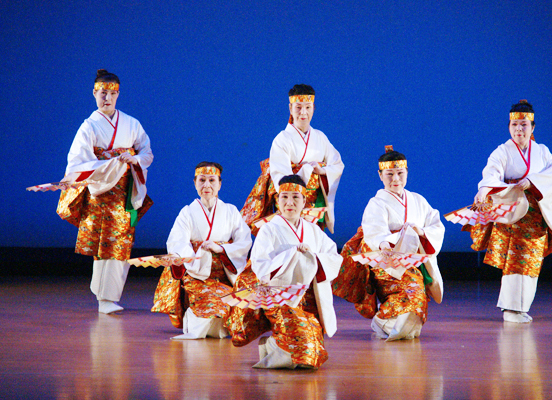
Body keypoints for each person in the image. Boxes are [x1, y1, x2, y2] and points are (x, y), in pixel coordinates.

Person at [57, 69, 153, 314]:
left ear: (118, 94)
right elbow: (77, 161)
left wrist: (133, 159)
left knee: (122, 242)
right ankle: (104, 298)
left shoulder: (131, 123)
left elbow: (146, 153)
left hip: (125, 191)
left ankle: (110, 296)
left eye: (112, 93)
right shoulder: (89, 126)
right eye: (102, 93)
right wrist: (110, 163)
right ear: (94, 93)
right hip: (100, 192)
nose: (107, 98)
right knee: (105, 244)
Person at [227, 175, 342, 369]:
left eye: (296, 197)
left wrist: (312, 258)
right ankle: (275, 346)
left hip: (309, 300)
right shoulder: (268, 230)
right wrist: (291, 255)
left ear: (304, 201)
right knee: (305, 349)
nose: (290, 203)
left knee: (313, 353)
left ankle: (272, 345)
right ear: (277, 200)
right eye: (284, 197)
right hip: (280, 299)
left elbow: (333, 257)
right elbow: (260, 266)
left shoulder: (313, 230)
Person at [465, 100, 552, 323]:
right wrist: (483, 190)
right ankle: (510, 309)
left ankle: (521, 307)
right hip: (514, 213)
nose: (519, 129)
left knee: (532, 259)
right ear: (509, 127)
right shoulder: (502, 151)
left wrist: (533, 181)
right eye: (514, 125)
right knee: (516, 258)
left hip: (536, 214)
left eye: (524, 125)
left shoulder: (542, 151)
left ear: (533, 127)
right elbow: (491, 173)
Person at [332, 147, 444, 340]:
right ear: (380, 175)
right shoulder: (376, 203)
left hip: (411, 262)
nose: (395, 179)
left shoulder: (418, 200)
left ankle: (387, 322)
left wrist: (421, 232)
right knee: (410, 296)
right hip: (387, 261)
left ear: (407, 172)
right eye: (389, 174)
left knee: (415, 307)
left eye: (400, 173)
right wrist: (384, 244)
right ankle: (384, 320)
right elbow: (374, 232)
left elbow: (436, 225)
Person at [151, 162, 252, 339]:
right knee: (211, 304)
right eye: (202, 180)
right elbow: (177, 242)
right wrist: (197, 257)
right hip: (196, 274)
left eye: (212, 180)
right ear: (195, 183)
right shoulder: (187, 212)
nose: (207, 185)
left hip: (224, 275)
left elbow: (244, 241)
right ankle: (193, 321)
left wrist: (221, 248)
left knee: (233, 308)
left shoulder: (231, 211)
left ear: (220, 184)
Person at [241, 84, 344, 233]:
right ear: (290, 108)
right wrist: (305, 171)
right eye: (298, 107)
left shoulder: (320, 137)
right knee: (289, 235)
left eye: (308, 107)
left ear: (313, 108)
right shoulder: (282, 139)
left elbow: (337, 165)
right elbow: (281, 178)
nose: (303, 112)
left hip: (314, 201)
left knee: (313, 238)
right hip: (291, 200)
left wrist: (321, 171)